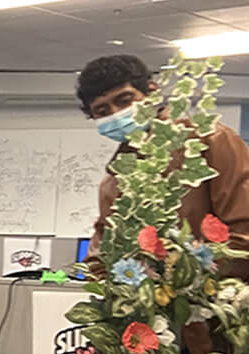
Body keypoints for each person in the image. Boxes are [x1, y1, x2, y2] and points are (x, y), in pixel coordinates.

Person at [78, 54, 249, 277]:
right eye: (102, 111)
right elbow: (101, 256)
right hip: (146, 305)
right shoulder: (114, 178)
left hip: (214, 298)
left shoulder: (207, 140)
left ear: (152, 91)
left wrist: (183, 284)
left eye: (124, 100)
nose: (116, 114)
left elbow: (243, 233)